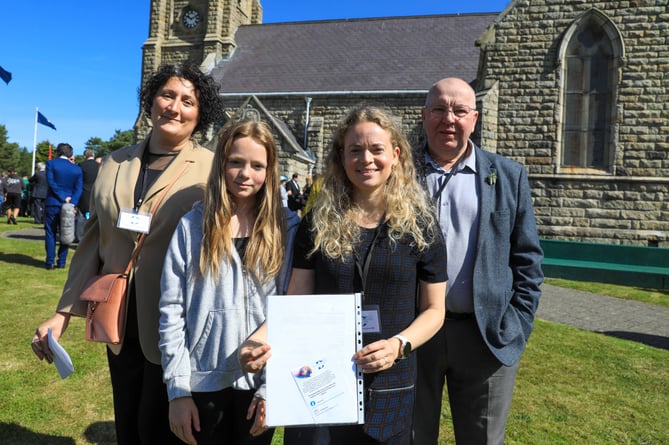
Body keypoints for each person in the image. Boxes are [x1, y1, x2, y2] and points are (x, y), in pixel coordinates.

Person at [31, 61, 225, 444]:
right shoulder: (113, 162)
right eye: (167, 95)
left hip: (178, 326)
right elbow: (92, 243)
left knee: (164, 429)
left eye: (188, 101)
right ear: (151, 101)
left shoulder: (212, 168)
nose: (175, 106)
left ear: (200, 115)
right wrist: (62, 314)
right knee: (129, 425)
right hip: (117, 319)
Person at [240, 105, 447, 444]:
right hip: (321, 382)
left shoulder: (421, 226)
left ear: (395, 155)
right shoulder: (317, 222)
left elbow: (434, 309)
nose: (366, 159)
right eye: (355, 150)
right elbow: (296, 299)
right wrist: (259, 340)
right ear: (341, 157)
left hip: (390, 383)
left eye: (376, 149)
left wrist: (399, 345)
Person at [412, 77, 544, 444]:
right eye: (439, 109)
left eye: (459, 111)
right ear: (424, 116)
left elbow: (527, 258)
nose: (448, 119)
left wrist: (516, 323)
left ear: (475, 118)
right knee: (409, 437)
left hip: (485, 336)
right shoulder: (398, 174)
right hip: (412, 333)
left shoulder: (508, 175)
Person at [159, 118, 300, 445]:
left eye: (257, 165)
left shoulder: (288, 229)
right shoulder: (192, 226)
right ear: (221, 163)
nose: (245, 173)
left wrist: (272, 388)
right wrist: (178, 390)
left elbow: (292, 311)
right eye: (236, 162)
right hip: (202, 382)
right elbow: (171, 311)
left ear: (270, 170)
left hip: (261, 386)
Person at [43, 144, 83, 268]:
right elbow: (79, 188)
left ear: (57, 152)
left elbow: (51, 182)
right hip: (70, 205)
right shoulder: (77, 169)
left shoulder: (51, 164)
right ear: (70, 154)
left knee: (51, 232)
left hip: (53, 203)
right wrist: (72, 202)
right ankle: (62, 262)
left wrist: (62, 197)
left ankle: (50, 261)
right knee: (67, 232)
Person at [78, 148, 100, 217]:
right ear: (93, 155)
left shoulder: (81, 165)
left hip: (84, 195)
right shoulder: (100, 166)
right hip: (97, 194)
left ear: (84, 156)